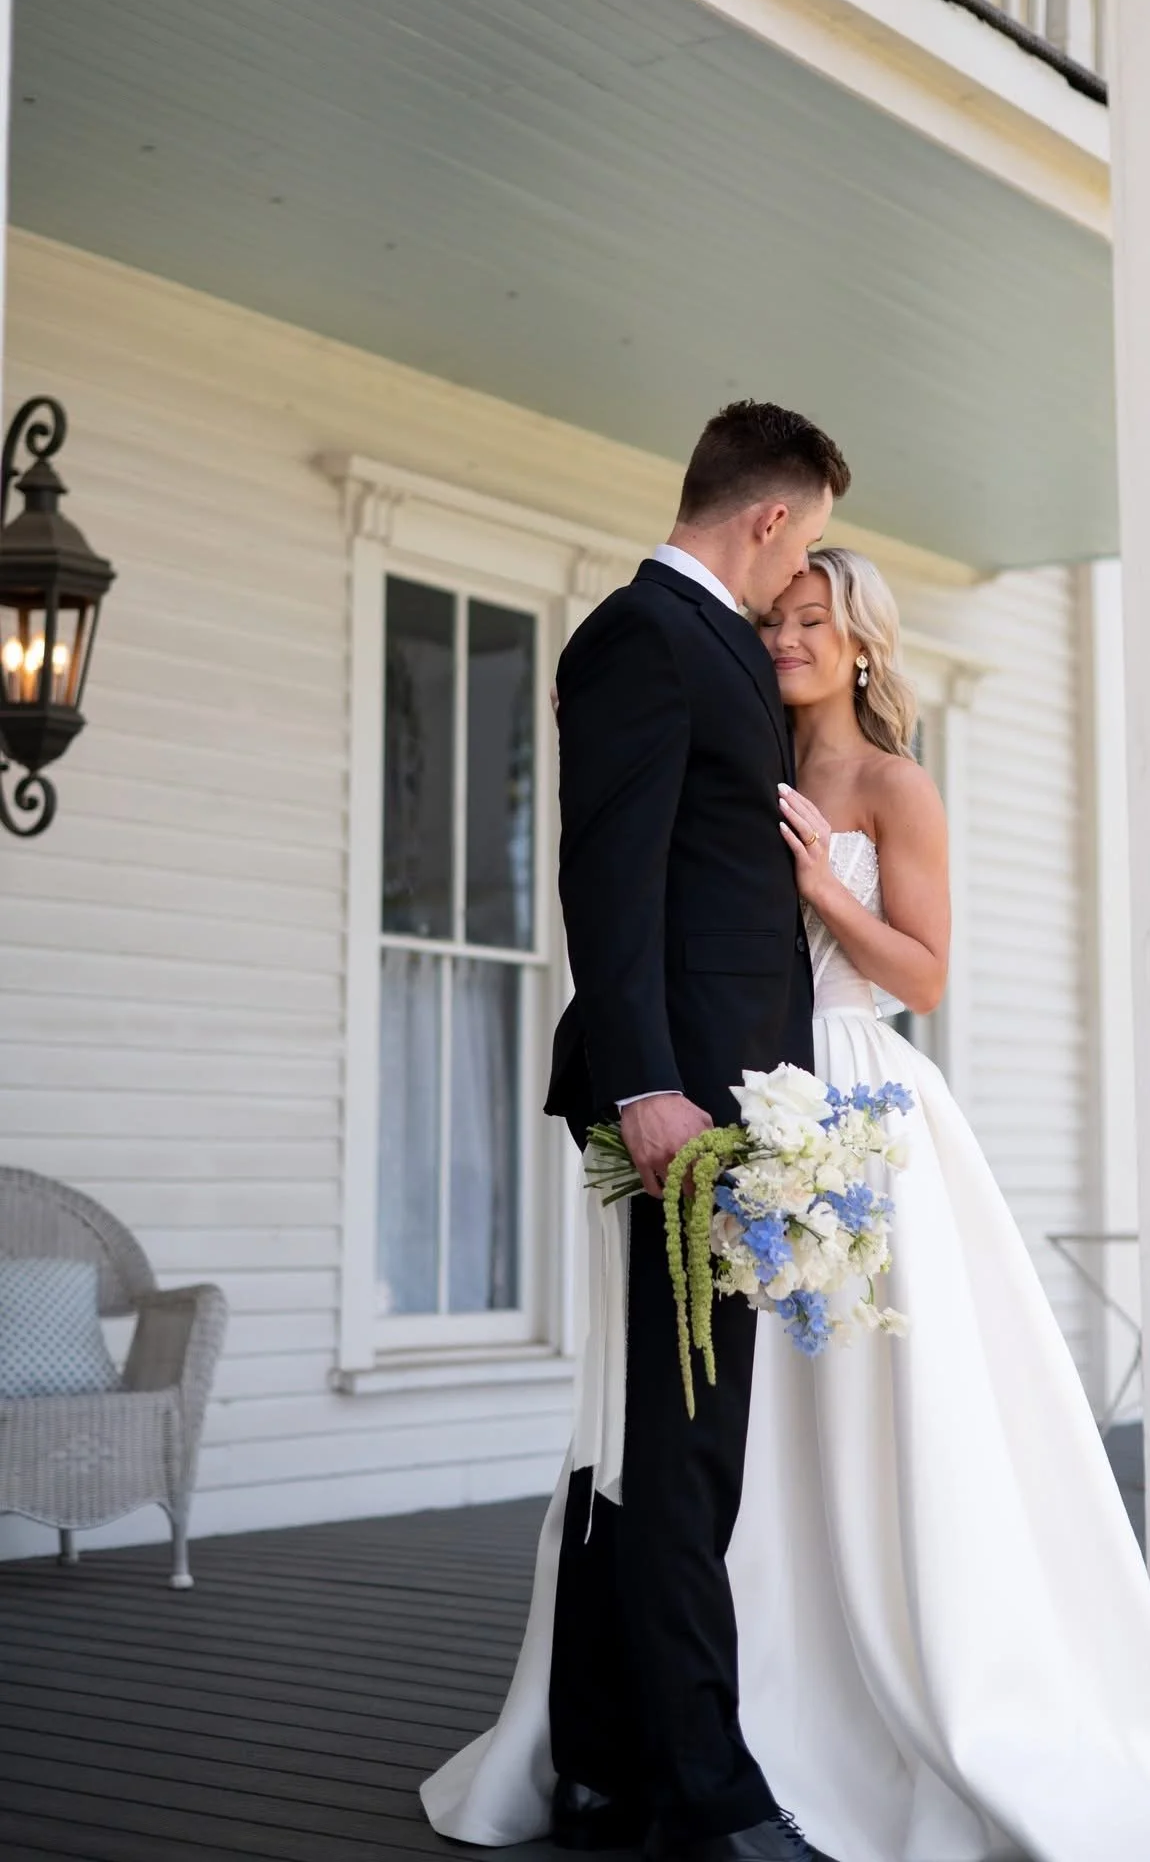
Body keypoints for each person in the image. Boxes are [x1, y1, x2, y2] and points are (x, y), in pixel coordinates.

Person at [423, 516, 1150, 1861]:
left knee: (876, 1422)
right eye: (775, 619)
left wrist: (824, 886)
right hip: (743, 1099)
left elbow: (922, 976)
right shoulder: (726, 752)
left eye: (816, 620)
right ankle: (735, 1709)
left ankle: (901, 1696)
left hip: (855, 1105)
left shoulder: (889, 783)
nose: (788, 638)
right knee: (732, 1438)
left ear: (864, 643)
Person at [423, 401, 845, 1862]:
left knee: (670, 1435)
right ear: (772, 519)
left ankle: (608, 1759)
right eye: (813, 533)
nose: (809, 564)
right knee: (682, 1444)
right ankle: (695, 1784)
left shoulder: (708, 641)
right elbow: (607, 884)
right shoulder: (640, 637)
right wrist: (651, 1084)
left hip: (737, 1100)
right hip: (683, 1106)